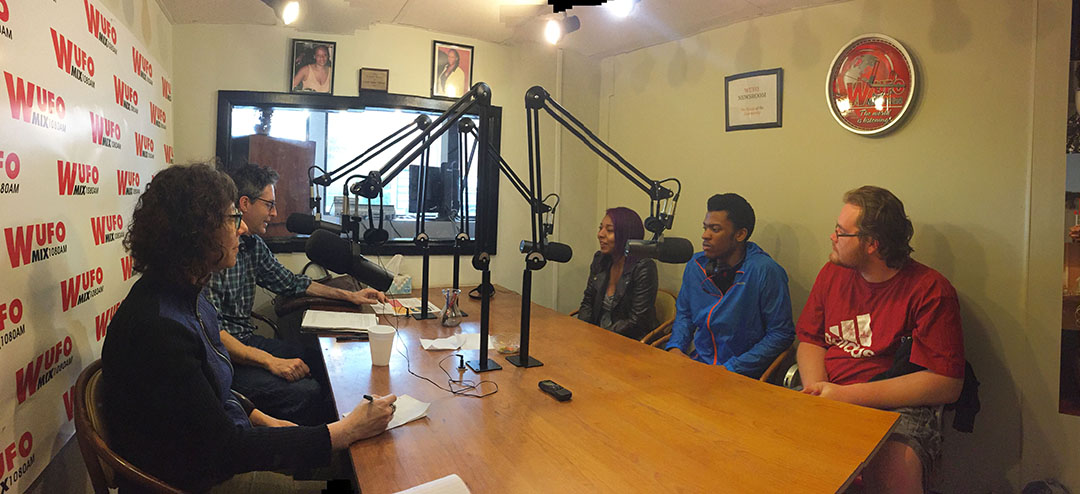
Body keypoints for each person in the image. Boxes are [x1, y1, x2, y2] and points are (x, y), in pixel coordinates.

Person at [101, 163, 396, 493]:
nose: (241, 229)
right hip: (194, 482)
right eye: (232, 219)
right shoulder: (159, 329)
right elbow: (226, 449)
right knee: (354, 472)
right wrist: (345, 431)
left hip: (219, 455)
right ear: (196, 232)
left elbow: (215, 395)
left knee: (360, 460)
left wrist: (264, 419)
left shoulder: (184, 296)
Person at [796, 185, 965, 493]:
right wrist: (819, 391)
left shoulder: (930, 290)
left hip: (894, 403)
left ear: (872, 244)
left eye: (841, 232)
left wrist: (845, 397)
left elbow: (947, 383)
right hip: (828, 391)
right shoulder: (832, 273)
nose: (832, 237)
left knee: (891, 471)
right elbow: (810, 340)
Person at [208, 164, 386, 425]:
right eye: (269, 205)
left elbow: (291, 283)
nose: (275, 213)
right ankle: (314, 445)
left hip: (246, 341)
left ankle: (344, 432)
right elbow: (214, 335)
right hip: (224, 358)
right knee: (307, 391)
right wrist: (271, 362)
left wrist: (350, 296)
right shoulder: (214, 254)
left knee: (321, 362)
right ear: (245, 204)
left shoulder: (253, 245)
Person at [665, 193, 795, 378]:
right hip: (699, 365)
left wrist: (732, 368)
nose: (705, 235)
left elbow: (780, 334)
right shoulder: (695, 265)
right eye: (705, 228)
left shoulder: (765, 271)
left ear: (740, 234)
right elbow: (685, 314)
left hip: (742, 374)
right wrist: (676, 347)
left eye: (715, 229)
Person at [577, 207, 658, 340]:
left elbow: (636, 321)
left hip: (628, 341)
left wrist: (600, 337)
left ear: (627, 236)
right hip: (597, 336)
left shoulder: (644, 267)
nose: (600, 234)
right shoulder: (600, 259)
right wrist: (581, 331)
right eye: (600, 228)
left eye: (609, 230)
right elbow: (588, 302)